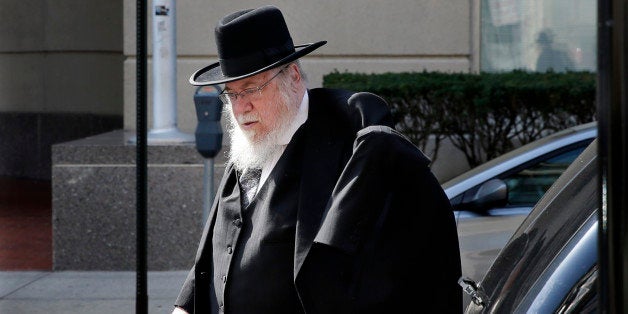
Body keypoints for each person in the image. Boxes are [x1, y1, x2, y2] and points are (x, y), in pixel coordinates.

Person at [174, 5, 462, 314]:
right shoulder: (251, 143)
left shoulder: (348, 131)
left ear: (293, 76)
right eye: (231, 93)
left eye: (251, 88)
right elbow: (215, 251)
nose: (240, 106)